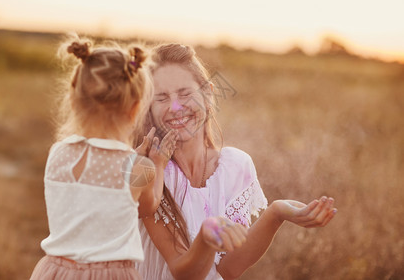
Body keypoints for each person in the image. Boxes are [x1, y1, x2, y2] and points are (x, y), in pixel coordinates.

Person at [134, 43, 337, 280]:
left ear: (208, 94)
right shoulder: (150, 171)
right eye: (161, 98)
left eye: (185, 93)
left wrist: (276, 213)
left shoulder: (236, 166)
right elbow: (182, 270)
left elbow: (227, 270)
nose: (176, 107)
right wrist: (207, 237)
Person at [30, 38, 182, 279]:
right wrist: (158, 164)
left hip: (56, 270)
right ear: (134, 109)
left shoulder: (58, 152)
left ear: (74, 100)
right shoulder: (137, 165)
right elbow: (148, 206)